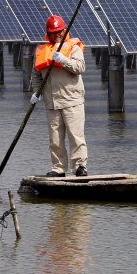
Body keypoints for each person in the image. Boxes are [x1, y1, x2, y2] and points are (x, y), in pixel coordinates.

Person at [29, 14, 88, 177]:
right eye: (54, 32)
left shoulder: (73, 47)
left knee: (76, 135)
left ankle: (80, 166)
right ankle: (58, 168)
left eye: (60, 31)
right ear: (48, 33)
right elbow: (36, 74)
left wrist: (63, 59)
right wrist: (36, 91)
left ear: (64, 31)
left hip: (72, 100)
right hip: (51, 102)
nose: (57, 35)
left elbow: (80, 68)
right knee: (55, 138)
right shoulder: (42, 50)